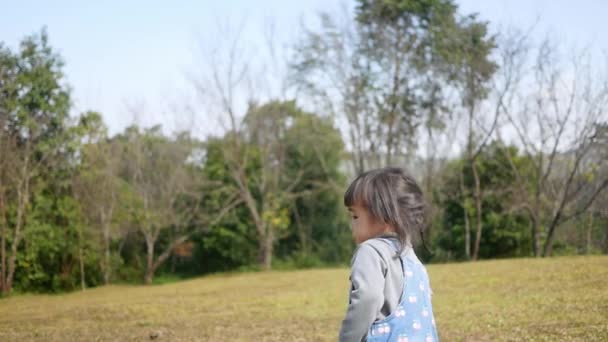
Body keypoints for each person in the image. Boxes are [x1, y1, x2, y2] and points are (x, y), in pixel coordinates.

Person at [339, 167, 439, 342]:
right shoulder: (412, 258)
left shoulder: (370, 251)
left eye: (355, 216)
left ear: (384, 216)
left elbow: (367, 298)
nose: (351, 225)